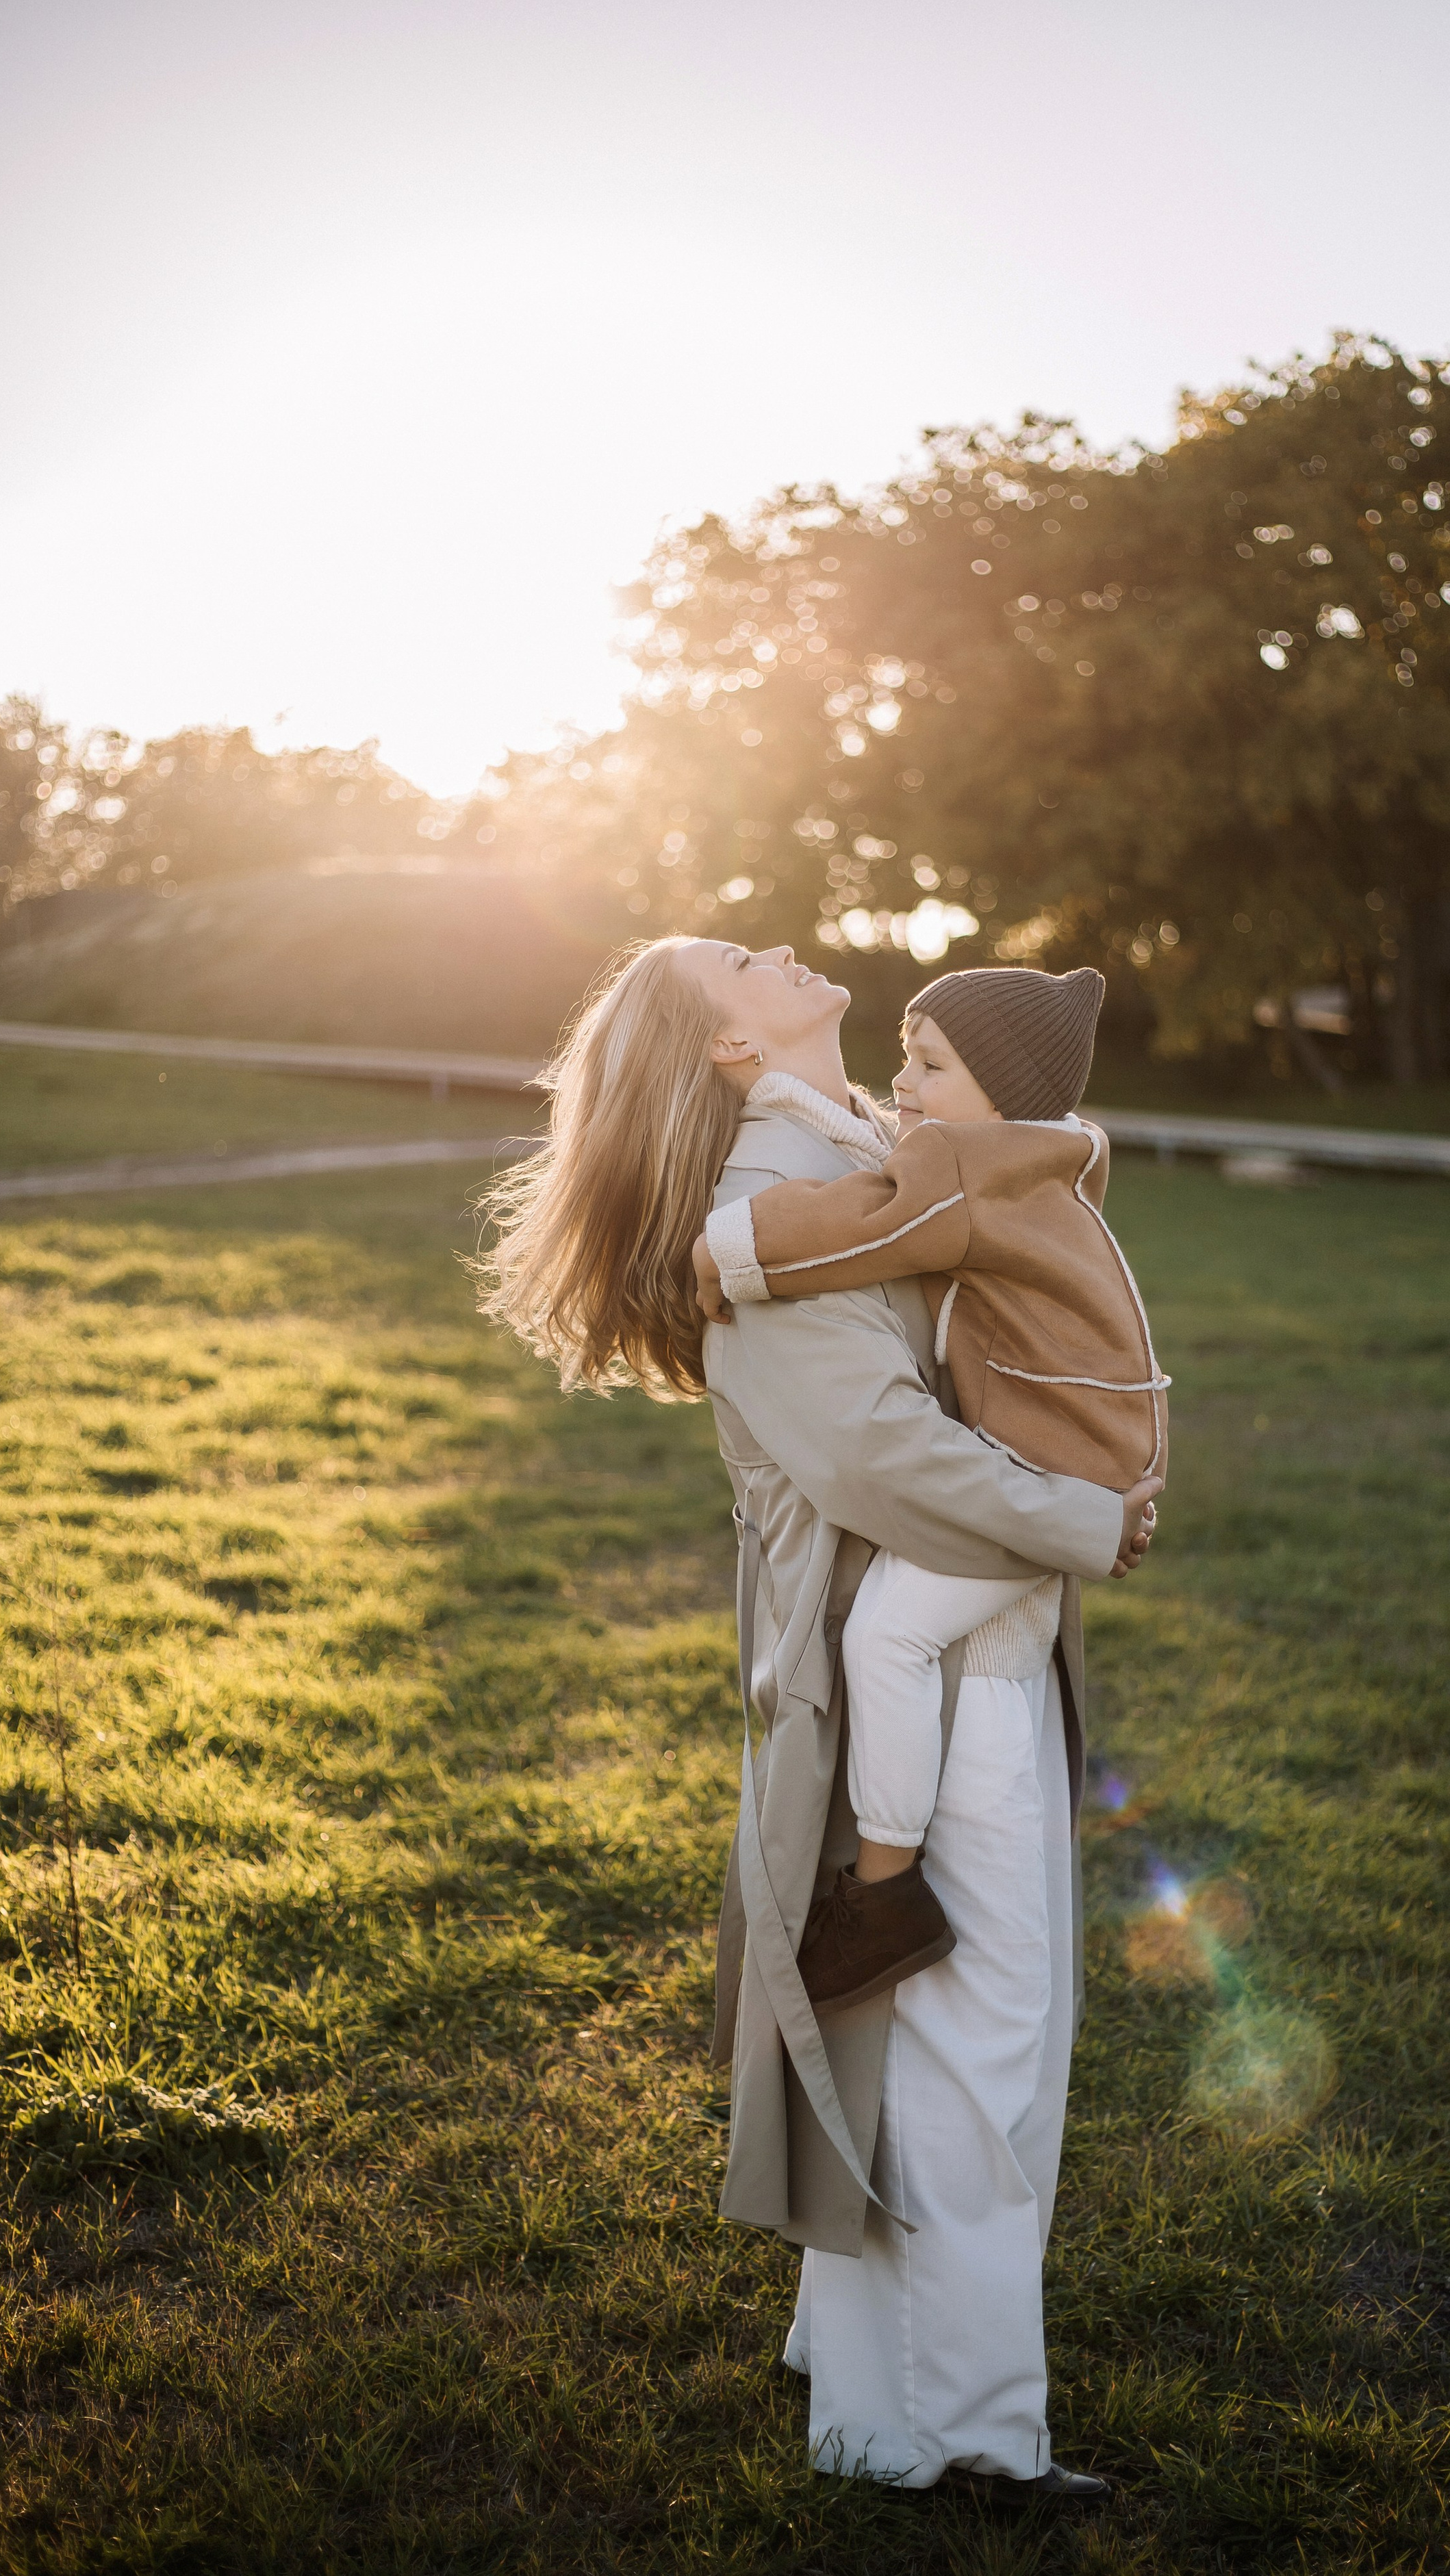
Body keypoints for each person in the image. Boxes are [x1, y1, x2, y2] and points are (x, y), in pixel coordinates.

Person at [477, 935, 1159, 2510]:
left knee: (944, 2047)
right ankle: (958, 2435)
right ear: (723, 1046)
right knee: (965, 2066)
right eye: (739, 955)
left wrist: (1100, 1453)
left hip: (960, 1657)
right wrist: (1082, 1515)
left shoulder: (852, 1148)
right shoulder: (763, 1209)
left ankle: (870, 2390)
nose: (779, 944)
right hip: (908, 1690)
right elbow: (875, 1462)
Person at [691, 962, 1169, 2021]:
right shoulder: (1043, 1153)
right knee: (900, 1636)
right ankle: (891, 1883)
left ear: (1003, 1093)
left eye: (931, 1064)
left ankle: (886, 1890)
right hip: (1093, 1437)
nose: (900, 1083)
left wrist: (727, 1249)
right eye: (905, 1055)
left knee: (886, 1640)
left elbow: (863, 1226)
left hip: (1063, 1460)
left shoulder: (963, 1165)